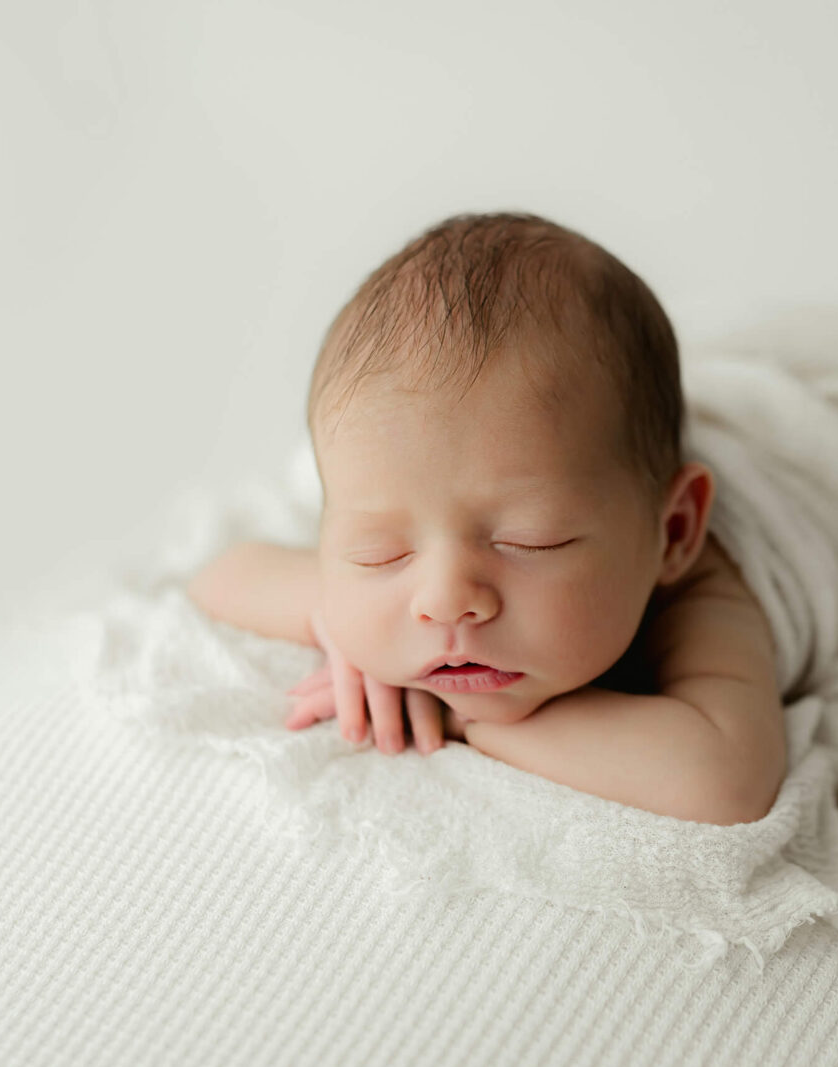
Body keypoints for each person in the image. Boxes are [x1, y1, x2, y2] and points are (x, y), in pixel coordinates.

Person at [186, 212, 785, 825]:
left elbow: (723, 780)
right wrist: (337, 618)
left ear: (674, 532)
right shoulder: (392, 466)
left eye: (530, 541)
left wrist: (457, 717)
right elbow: (223, 575)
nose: (445, 601)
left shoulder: (701, 588)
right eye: (380, 552)